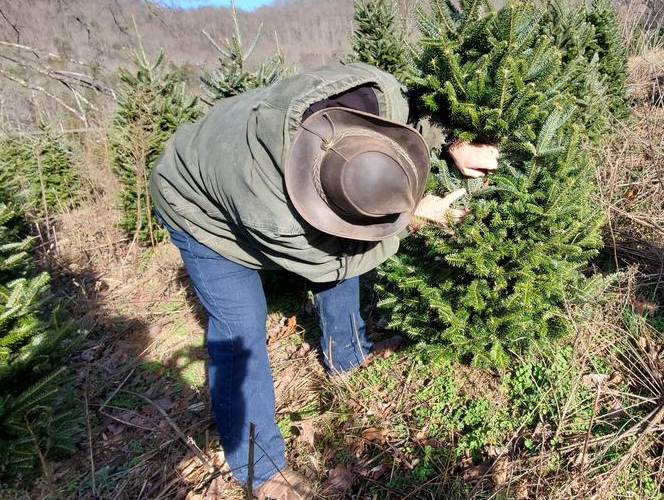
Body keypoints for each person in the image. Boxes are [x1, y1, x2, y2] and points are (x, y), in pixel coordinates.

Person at [149, 62, 498, 498]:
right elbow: (334, 262)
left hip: (241, 150)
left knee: (346, 245)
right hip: (194, 202)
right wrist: (411, 216)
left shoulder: (376, 95)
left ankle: (347, 358)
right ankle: (259, 468)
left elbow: (419, 118)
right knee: (240, 326)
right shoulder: (274, 213)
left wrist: (455, 144)